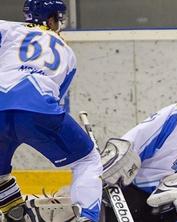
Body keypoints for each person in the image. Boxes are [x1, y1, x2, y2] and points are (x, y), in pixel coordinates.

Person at [0, 1, 102, 221]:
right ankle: (87, 217)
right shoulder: (67, 52)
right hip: (37, 109)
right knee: (87, 160)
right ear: (51, 20)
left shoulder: (8, 28)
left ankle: (13, 212)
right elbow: (56, 98)